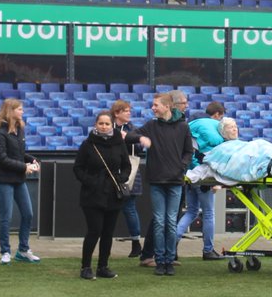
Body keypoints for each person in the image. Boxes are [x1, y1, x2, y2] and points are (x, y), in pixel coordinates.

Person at [138, 91, 193, 276]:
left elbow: (188, 152)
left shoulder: (183, 127)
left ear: (167, 106)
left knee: (170, 222)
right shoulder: (151, 125)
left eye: (156, 105)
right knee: (160, 222)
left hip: (175, 181)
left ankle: (170, 260)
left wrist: (181, 166)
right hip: (156, 180)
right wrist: (139, 139)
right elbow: (133, 134)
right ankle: (160, 260)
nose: (153, 108)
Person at [73, 110, 131, 280]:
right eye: (101, 123)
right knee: (94, 231)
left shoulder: (119, 142)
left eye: (107, 123)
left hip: (113, 193)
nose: (104, 127)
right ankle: (85, 267)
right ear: (95, 125)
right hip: (92, 194)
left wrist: (122, 177)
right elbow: (78, 168)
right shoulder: (88, 144)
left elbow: (127, 165)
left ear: (111, 125)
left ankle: (103, 266)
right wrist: (91, 181)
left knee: (108, 232)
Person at [0, 98, 40, 265]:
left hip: (18, 179)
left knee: (28, 213)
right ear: (10, 111)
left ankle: (23, 250)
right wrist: (24, 167)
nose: (22, 112)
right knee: (6, 216)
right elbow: (2, 158)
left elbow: (19, 153)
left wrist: (31, 160)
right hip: (4, 179)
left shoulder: (20, 129)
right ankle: (5, 251)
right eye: (19, 109)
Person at [176, 101, 226, 261]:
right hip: (203, 176)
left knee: (190, 212)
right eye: (221, 117)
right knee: (209, 213)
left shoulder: (190, 124)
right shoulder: (213, 128)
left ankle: (171, 245)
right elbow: (215, 154)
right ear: (217, 115)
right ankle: (208, 250)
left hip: (189, 175)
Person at [111, 99, 146, 258]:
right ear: (117, 113)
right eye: (125, 110)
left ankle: (136, 243)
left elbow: (140, 148)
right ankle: (106, 242)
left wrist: (128, 138)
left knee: (129, 208)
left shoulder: (133, 129)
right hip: (110, 171)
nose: (129, 113)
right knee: (108, 207)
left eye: (129, 110)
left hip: (129, 170)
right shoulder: (107, 126)